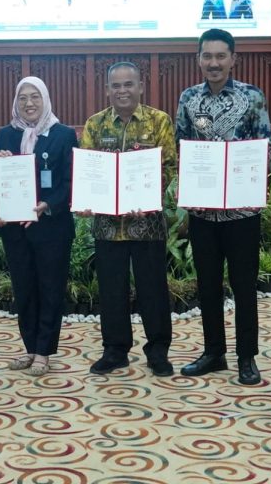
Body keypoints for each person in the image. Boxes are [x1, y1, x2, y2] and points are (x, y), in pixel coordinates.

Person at [176, 28, 271, 386]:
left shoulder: (252, 96)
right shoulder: (188, 98)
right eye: (207, 56)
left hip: (242, 212)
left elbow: (264, 147)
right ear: (198, 59)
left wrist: (250, 182)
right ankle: (213, 352)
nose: (213, 63)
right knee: (208, 285)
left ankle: (247, 357)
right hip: (203, 212)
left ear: (233, 58)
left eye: (220, 56)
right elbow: (183, 146)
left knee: (244, 286)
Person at [79, 62, 175, 378]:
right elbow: (89, 169)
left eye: (128, 84)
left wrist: (147, 197)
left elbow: (169, 166)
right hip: (108, 227)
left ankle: (158, 352)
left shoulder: (159, 121)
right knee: (111, 291)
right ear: (107, 89)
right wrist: (87, 200)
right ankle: (115, 351)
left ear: (141, 87)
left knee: (153, 291)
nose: (122, 91)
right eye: (116, 85)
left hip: (147, 225)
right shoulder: (95, 125)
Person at [0, 77, 78, 377]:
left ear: (45, 99)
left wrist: (47, 204)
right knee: (24, 289)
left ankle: (44, 351)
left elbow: (70, 181)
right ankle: (30, 347)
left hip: (52, 228)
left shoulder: (64, 134)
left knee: (50, 289)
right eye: (22, 98)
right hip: (16, 229)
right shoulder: (5, 135)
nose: (29, 103)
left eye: (35, 97)